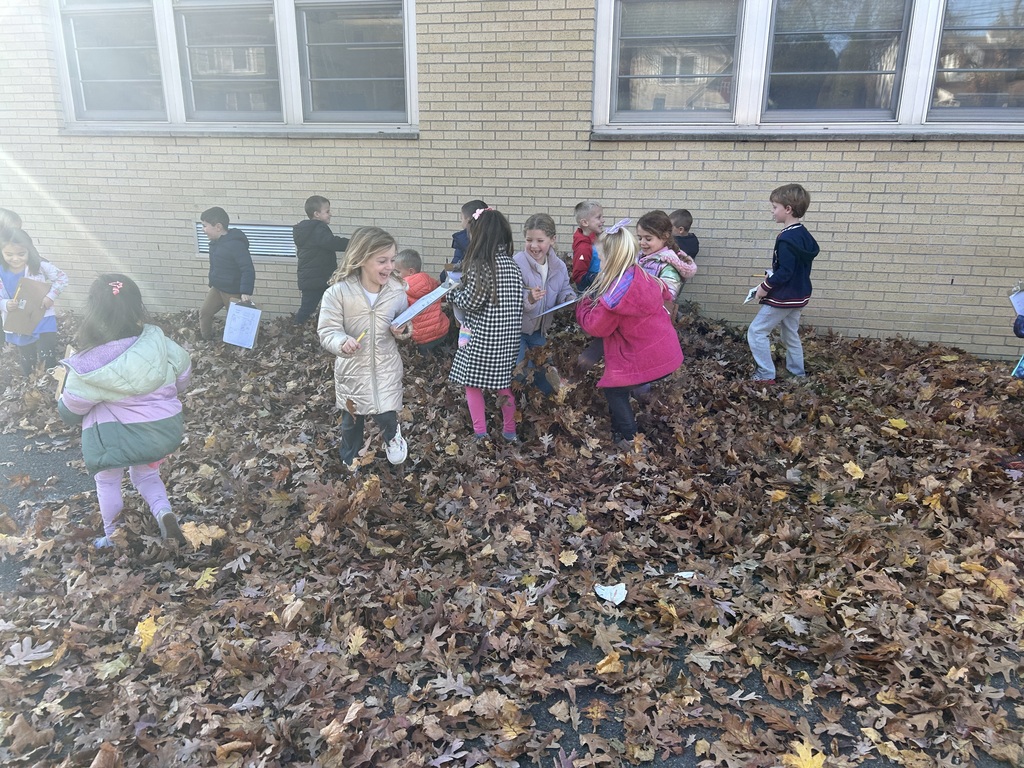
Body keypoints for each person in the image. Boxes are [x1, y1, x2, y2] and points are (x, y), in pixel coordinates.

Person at [56, 274, 191, 549]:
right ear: (137, 306)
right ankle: (164, 513)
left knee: (107, 482)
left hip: (114, 441)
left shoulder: (88, 365)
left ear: (92, 311)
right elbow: (183, 376)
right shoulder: (160, 343)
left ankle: (114, 535)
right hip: (161, 431)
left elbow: (70, 411)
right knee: (147, 475)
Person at [576, 221, 682, 447]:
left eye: (601, 258)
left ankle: (630, 438)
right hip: (664, 351)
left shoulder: (617, 296)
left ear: (612, 259)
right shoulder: (641, 275)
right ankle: (638, 401)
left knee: (614, 390)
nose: (600, 262)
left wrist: (584, 304)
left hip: (644, 357)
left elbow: (596, 327)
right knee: (623, 384)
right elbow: (665, 292)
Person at [318, 227, 410, 471]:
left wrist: (403, 330)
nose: (389, 267)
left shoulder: (396, 290)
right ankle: (351, 458)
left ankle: (393, 437)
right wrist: (341, 341)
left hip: (386, 365)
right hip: (352, 370)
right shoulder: (338, 293)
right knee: (351, 421)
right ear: (361, 259)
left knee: (387, 411)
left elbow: (405, 319)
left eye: (392, 260)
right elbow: (327, 330)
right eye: (382, 261)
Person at [448, 208, 523, 441]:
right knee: (503, 385)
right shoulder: (511, 265)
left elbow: (472, 302)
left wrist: (452, 294)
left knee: (472, 385)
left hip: (482, 337)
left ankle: (480, 433)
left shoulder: (481, 265)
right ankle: (510, 431)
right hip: (507, 338)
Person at [747, 183, 820, 383]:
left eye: (775, 207)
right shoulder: (804, 235)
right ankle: (797, 373)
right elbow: (794, 268)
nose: (772, 212)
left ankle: (765, 374)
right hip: (800, 294)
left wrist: (763, 287)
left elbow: (786, 272)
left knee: (756, 331)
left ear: (788, 209)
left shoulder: (787, 239)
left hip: (784, 296)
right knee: (790, 334)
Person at [513, 213, 575, 395]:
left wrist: (569, 299)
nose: (533, 246)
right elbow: (509, 300)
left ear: (552, 240)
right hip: (516, 330)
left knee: (545, 369)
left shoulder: (559, 267)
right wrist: (529, 298)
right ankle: (522, 406)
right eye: (529, 240)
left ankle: (548, 405)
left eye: (540, 240)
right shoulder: (517, 263)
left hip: (539, 330)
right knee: (520, 370)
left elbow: (564, 290)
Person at [0, 227, 68, 374]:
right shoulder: (1, 271)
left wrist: (50, 296)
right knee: (27, 357)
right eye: (9, 254)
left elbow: (62, 278)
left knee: (47, 355)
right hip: (18, 320)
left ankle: (50, 384)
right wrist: (5, 304)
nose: (15, 258)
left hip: (42, 316)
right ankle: (29, 386)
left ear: (29, 250)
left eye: (21, 254)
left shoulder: (39, 266)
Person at [198, 206, 255, 341]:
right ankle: (206, 340)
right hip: (217, 288)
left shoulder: (236, 245)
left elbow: (247, 269)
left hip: (233, 291)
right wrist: (212, 280)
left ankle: (241, 347)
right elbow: (214, 265)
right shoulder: (214, 243)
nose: (202, 229)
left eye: (205, 226)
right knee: (204, 313)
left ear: (218, 226)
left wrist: (245, 291)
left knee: (238, 323)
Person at [293, 195, 349, 324]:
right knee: (309, 308)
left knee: (322, 306)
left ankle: (306, 329)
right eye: (327, 211)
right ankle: (296, 328)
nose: (330, 214)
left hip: (314, 277)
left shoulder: (308, 230)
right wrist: (354, 243)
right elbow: (331, 242)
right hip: (317, 279)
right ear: (317, 214)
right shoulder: (318, 228)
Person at [636, 210, 697, 316]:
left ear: (665, 237)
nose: (642, 242)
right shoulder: (639, 258)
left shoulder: (669, 267)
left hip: (652, 320)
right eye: (640, 238)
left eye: (648, 238)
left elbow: (668, 296)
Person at [396, 248, 450, 353]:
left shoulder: (402, 288)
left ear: (411, 271)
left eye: (398, 272)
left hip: (422, 338)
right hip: (441, 330)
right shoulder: (430, 281)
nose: (396, 275)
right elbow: (442, 296)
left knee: (424, 360)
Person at [441, 198, 488, 282]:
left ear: (469, 219)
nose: (461, 222)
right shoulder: (496, 240)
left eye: (461, 218)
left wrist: (444, 275)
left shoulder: (462, 240)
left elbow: (454, 265)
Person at [570, 201, 605, 290]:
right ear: (585, 222)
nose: (603, 220)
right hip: (591, 293)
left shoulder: (595, 237)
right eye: (598, 217)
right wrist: (596, 278)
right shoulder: (583, 248)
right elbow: (578, 277)